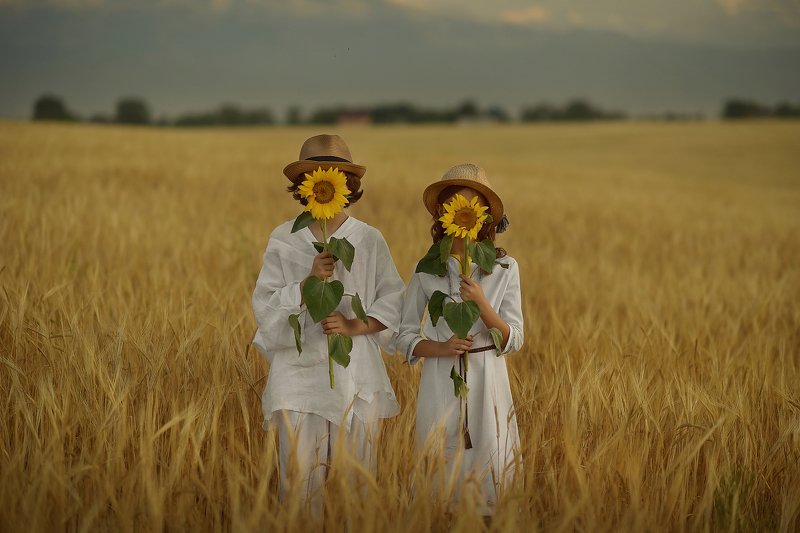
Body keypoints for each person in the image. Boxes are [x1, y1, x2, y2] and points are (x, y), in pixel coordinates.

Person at [251, 134, 404, 509]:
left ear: (347, 186)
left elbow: (394, 300)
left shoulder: (367, 239)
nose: (325, 183)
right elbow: (265, 306)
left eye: (333, 177)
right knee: (301, 487)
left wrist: (355, 326)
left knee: (359, 487)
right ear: (304, 187)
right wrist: (306, 283)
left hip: (356, 375)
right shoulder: (284, 238)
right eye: (316, 176)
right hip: (299, 377)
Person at [396, 163, 524, 514]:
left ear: (485, 218)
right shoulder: (427, 269)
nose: (465, 216)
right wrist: (440, 347)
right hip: (440, 380)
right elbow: (403, 334)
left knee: (490, 474)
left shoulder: (503, 268)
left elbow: (514, 338)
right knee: (441, 476)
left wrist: (482, 304)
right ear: (443, 214)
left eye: (473, 209)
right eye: (458, 208)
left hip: (488, 381)